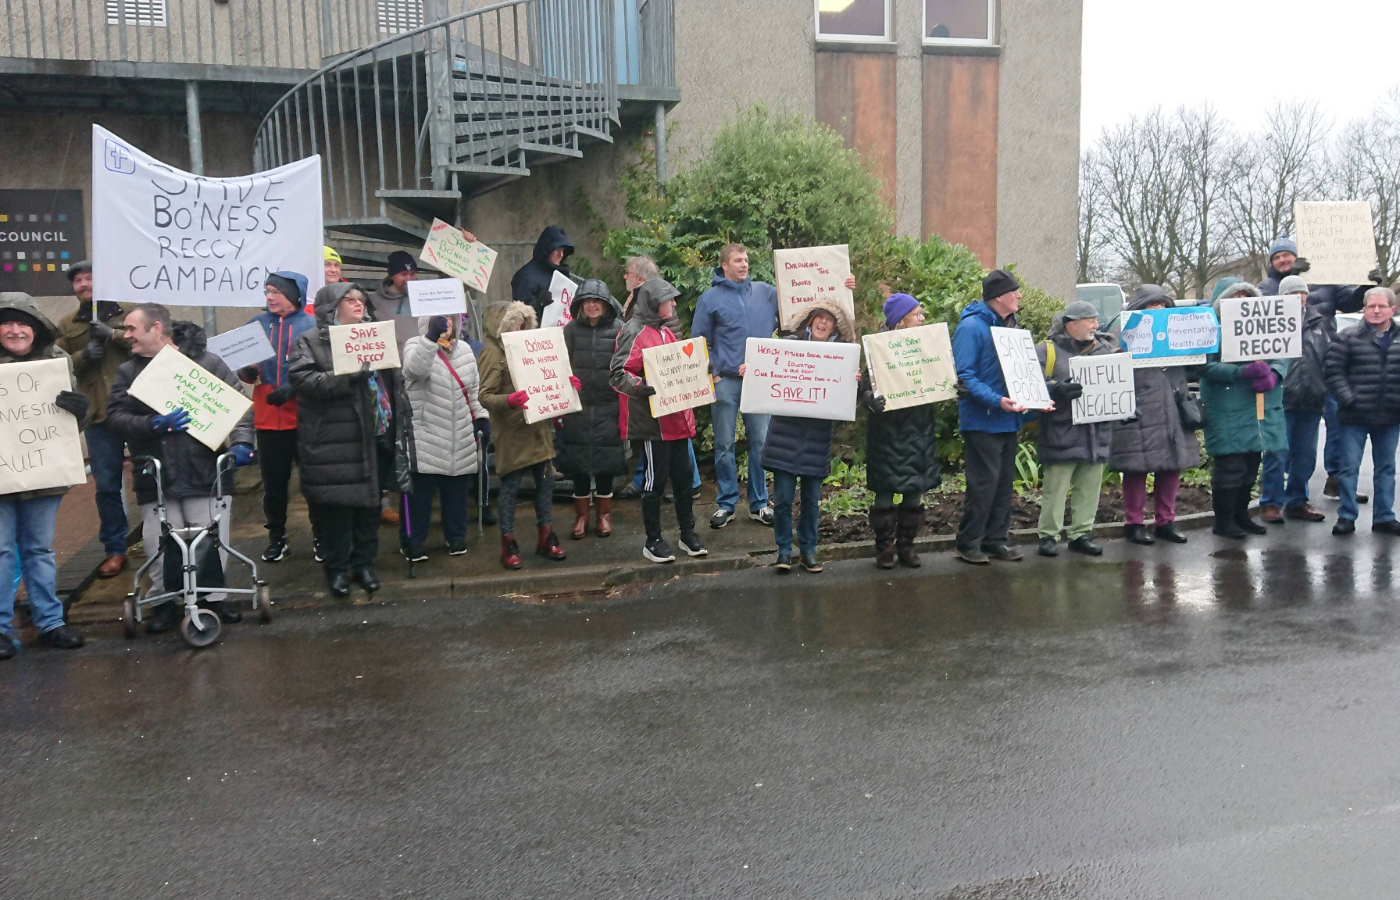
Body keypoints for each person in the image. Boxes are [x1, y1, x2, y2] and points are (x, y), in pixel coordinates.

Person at [107, 304, 256, 632]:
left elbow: (238, 408)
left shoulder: (208, 363)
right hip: (157, 474)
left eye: (132, 328)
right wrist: (152, 424)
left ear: (156, 328)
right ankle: (164, 603)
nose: (126, 335)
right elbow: (115, 417)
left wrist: (243, 442)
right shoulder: (129, 371)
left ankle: (213, 598)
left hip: (205, 470)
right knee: (159, 543)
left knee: (212, 538)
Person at [289, 284, 415, 596]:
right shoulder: (310, 341)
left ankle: (364, 565)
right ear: (332, 307)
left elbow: (391, 381)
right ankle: (336, 569)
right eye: (350, 299)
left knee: (370, 508)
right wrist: (346, 377)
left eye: (361, 299)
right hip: (335, 442)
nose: (358, 304)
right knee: (338, 512)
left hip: (375, 436)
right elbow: (303, 381)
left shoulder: (375, 335)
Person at [0, 293, 91, 658]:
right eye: (7, 322)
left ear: (37, 328)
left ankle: (50, 622)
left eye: (23, 322)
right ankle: (1, 629)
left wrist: (79, 409)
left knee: (39, 549)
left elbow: (71, 424)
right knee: (2, 551)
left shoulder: (57, 360)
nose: (16, 330)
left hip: (43, 473)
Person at [612, 278, 708, 564]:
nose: (674, 304)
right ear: (655, 303)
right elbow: (618, 373)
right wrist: (640, 386)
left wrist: (701, 368)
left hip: (677, 420)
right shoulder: (633, 332)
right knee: (653, 484)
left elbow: (678, 370)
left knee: (683, 481)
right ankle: (652, 540)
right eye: (669, 299)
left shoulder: (666, 332)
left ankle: (687, 534)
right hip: (654, 426)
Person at [760, 298, 855, 573]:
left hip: (816, 436)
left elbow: (848, 400)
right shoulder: (789, 346)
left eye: (829, 319)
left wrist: (854, 384)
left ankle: (809, 551)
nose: (824, 322)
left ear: (835, 326)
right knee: (783, 499)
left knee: (812, 500)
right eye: (819, 317)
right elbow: (766, 375)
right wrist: (753, 372)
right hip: (785, 435)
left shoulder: (842, 356)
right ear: (810, 320)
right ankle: (783, 551)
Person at [691, 244, 778, 529]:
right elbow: (700, 343)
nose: (744, 264)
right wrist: (714, 371)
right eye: (737, 260)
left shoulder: (766, 293)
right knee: (725, 444)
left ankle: (759, 503)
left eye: (746, 260)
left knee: (760, 443)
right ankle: (726, 503)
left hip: (758, 380)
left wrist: (841, 283)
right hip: (726, 380)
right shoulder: (710, 299)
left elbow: (801, 304)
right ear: (724, 266)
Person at [54, 260, 131, 578]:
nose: (83, 285)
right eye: (78, 281)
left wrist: (113, 334)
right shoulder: (67, 323)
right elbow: (53, 364)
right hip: (98, 417)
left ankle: (163, 540)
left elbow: (157, 347)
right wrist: (81, 357)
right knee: (107, 486)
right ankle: (115, 549)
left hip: (137, 411)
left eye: (89, 278)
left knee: (151, 478)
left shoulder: (131, 313)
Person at [477, 301, 567, 569]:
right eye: (514, 321)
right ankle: (508, 543)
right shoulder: (493, 353)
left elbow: (550, 378)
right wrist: (510, 400)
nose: (519, 326)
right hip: (513, 432)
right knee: (511, 489)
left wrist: (566, 387)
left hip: (538, 431)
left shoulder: (533, 347)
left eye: (523, 321)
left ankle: (546, 538)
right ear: (501, 325)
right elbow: (484, 396)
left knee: (545, 485)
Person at [1108, 285, 1201, 545]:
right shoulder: (1124, 331)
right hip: (1139, 408)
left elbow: (1195, 369)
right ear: (1140, 307)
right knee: (1136, 469)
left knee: (1171, 467)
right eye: (1153, 305)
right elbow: (1110, 363)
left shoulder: (1177, 331)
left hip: (1173, 408)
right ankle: (1134, 523)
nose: (1159, 309)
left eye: (1163, 305)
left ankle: (1166, 521)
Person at [236, 271, 316, 563]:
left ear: (293, 296)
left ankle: (320, 535)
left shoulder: (312, 325)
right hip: (268, 415)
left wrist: (293, 387)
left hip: (306, 414)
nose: (269, 297)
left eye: (275, 292)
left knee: (312, 482)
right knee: (273, 484)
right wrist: (246, 372)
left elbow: (322, 366)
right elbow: (242, 366)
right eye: (267, 292)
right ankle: (276, 537)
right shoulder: (255, 325)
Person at [952, 269, 1030, 565]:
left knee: (1003, 484)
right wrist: (997, 400)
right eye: (1015, 291)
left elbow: (1023, 373)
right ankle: (968, 542)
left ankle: (995, 539)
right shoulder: (971, 328)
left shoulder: (1012, 327)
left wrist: (1041, 395)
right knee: (984, 484)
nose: (1020, 295)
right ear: (1000, 296)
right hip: (982, 419)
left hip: (1007, 419)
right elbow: (965, 377)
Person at [859, 294, 943, 569]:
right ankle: (885, 549)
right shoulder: (878, 348)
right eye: (917, 314)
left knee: (914, 490)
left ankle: (907, 546)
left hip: (918, 427)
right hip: (888, 432)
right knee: (885, 491)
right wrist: (870, 399)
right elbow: (864, 387)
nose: (922, 319)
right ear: (900, 320)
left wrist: (954, 386)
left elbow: (939, 375)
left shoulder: (928, 345)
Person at [1200, 278, 1286, 539]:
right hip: (1227, 406)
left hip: (1258, 407)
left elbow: (1283, 350)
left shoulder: (1266, 326)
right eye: (1235, 297)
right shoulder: (1211, 330)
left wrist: (1274, 373)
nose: (1241, 302)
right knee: (1231, 465)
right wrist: (1241, 372)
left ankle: (1241, 515)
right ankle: (1224, 520)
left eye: (1246, 297)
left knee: (1251, 463)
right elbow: (1204, 366)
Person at [399, 314, 490, 561]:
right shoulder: (414, 344)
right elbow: (413, 371)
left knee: (457, 490)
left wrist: (481, 416)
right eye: (440, 319)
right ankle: (413, 541)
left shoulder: (465, 351)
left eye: (450, 318)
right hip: (425, 431)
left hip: (458, 433)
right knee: (420, 493)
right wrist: (430, 339)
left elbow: (473, 391)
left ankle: (456, 536)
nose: (446, 323)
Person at [1034, 301, 1117, 557]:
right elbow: (1030, 384)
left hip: (1095, 431)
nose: (1096, 325)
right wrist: (1054, 389)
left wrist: (1125, 407)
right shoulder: (1046, 351)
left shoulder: (1105, 351)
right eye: (1090, 320)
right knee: (1055, 488)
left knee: (1089, 487)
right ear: (1072, 324)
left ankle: (1081, 533)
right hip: (1061, 431)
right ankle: (1048, 536)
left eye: (1096, 320)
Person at [616, 256, 702, 502]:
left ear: (641, 279)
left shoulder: (655, 308)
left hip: (664, 390)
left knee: (675, 436)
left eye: (629, 272)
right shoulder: (645, 304)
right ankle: (647, 481)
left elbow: (668, 348)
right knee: (661, 440)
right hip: (653, 391)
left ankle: (689, 482)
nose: (625, 276)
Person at [1324, 286, 1400, 537]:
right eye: (1371, 306)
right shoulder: (1348, 337)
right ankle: (1346, 515)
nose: (1376, 311)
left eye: (1381, 306)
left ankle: (1384, 517)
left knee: (1386, 469)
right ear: (1364, 309)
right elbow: (1334, 371)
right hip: (1354, 416)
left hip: (1390, 416)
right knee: (1348, 468)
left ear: (1393, 308)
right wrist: (1348, 399)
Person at [560, 280, 627, 539]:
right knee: (578, 465)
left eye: (596, 300)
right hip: (577, 407)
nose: (592, 305)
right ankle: (581, 517)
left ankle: (603, 516)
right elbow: (560, 364)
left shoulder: (619, 329)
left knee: (605, 465)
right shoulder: (570, 330)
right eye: (587, 301)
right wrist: (566, 384)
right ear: (580, 305)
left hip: (609, 407)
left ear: (606, 303)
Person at [511, 226, 574, 320]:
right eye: (557, 250)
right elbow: (520, 315)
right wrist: (538, 303)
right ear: (547, 250)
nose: (561, 255)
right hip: (536, 332)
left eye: (563, 250)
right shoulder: (525, 277)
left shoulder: (561, 273)